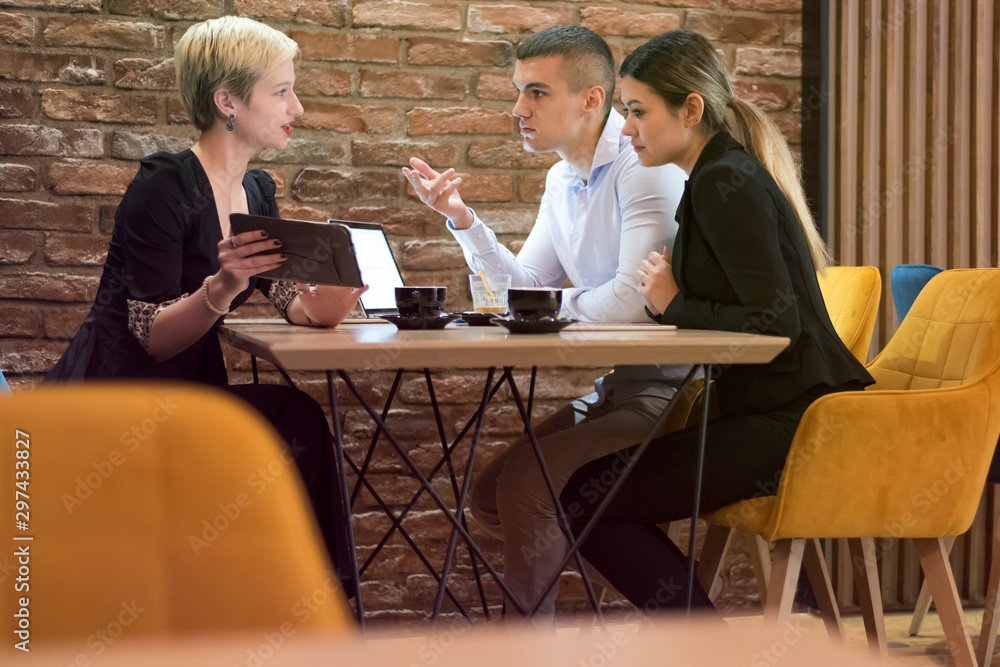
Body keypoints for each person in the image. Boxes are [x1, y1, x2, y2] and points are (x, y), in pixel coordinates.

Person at [45, 16, 365, 595]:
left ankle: (316, 600)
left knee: (298, 420)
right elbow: (153, 336)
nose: (299, 108)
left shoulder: (258, 190)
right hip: (122, 395)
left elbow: (294, 302)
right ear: (228, 101)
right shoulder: (165, 185)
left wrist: (341, 291)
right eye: (282, 91)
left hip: (196, 395)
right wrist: (221, 286)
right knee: (290, 423)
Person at [558, 30, 875, 613]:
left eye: (636, 111)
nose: (625, 129)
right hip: (776, 408)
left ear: (691, 109)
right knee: (587, 495)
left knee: (587, 500)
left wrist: (672, 301)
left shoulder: (725, 185)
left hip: (797, 418)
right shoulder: (717, 177)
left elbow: (773, 327)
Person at [403, 26, 688, 619]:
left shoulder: (643, 166)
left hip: (677, 395)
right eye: (517, 91)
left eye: (536, 92)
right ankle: (629, 591)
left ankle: (529, 645)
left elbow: (634, 305)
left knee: (528, 488)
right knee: (490, 495)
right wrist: (462, 221)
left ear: (591, 99)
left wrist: (553, 308)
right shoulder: (562, 178)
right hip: (621, 387)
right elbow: (525, 291)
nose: (518, 109)